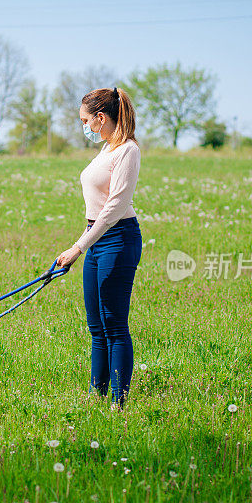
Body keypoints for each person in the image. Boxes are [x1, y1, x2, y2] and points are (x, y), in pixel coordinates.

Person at [56, 87, 143, 410]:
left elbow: (114, 207)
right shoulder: (107, 150)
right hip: (96, 237)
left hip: (118, 240)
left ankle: (118, 404)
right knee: (96, 327)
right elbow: (95, 211)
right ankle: (96, 396)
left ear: (101, 117)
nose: (84, 127)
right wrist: (81, 245)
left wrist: (77, 248)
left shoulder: (127, 151)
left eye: (85, 121)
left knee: (115, 325)